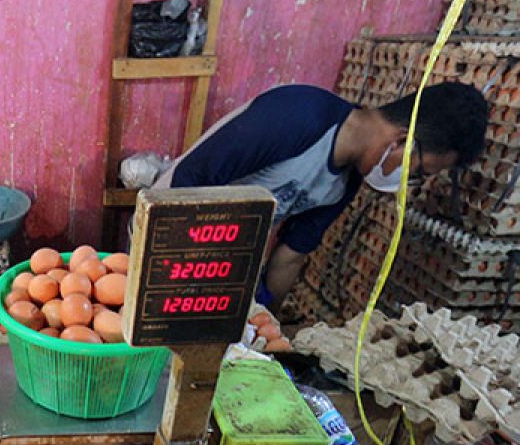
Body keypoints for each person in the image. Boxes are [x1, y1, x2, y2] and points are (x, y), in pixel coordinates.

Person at [154, 82, 488, 308]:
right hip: (167, 240)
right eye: (417, 173)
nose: (406, 184)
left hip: (224, 263)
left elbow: (292, 254)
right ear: (402, 140)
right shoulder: (296, 117)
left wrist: (266, 316)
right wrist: (183, 288)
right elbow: (185, 185)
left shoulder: (345, 181)